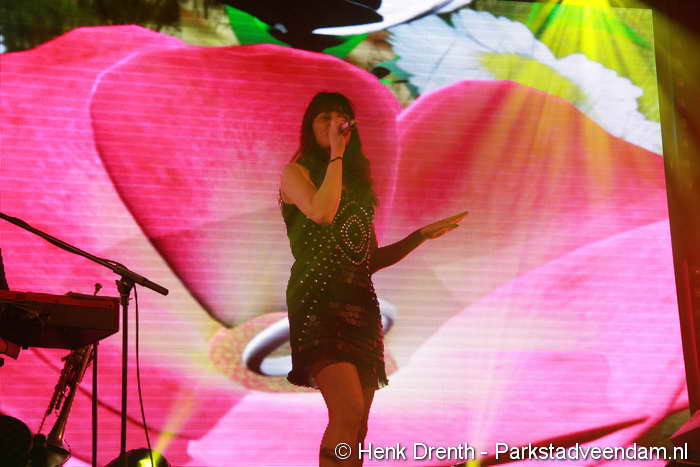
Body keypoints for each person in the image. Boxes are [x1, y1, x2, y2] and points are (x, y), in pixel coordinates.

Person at [280, 92, 467, 466]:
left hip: (361, 305)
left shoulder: (357, 190)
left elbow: (367, 260)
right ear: (309, 127)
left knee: (360, 425)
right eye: (323, 118)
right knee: (347, 412)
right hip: (318, 300)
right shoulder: (296, 173)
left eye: (340, 118)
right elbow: (321, 213)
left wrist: (419, 236)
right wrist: (336, 155)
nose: (333, 124)